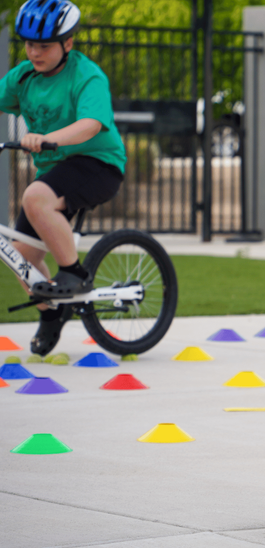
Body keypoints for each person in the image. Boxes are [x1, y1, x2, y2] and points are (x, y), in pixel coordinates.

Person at [0, 0, 126, 356]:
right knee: (19, 256)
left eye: (44, 45)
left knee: (34, 197)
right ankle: (52, 314)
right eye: (29, 44)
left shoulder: (87, 76)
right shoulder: (23, 76)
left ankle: (74, 272)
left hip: (98, 162)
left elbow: (91, 124)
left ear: (67, 43)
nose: (34, 52)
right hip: (56, 172)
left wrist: (49, 139)